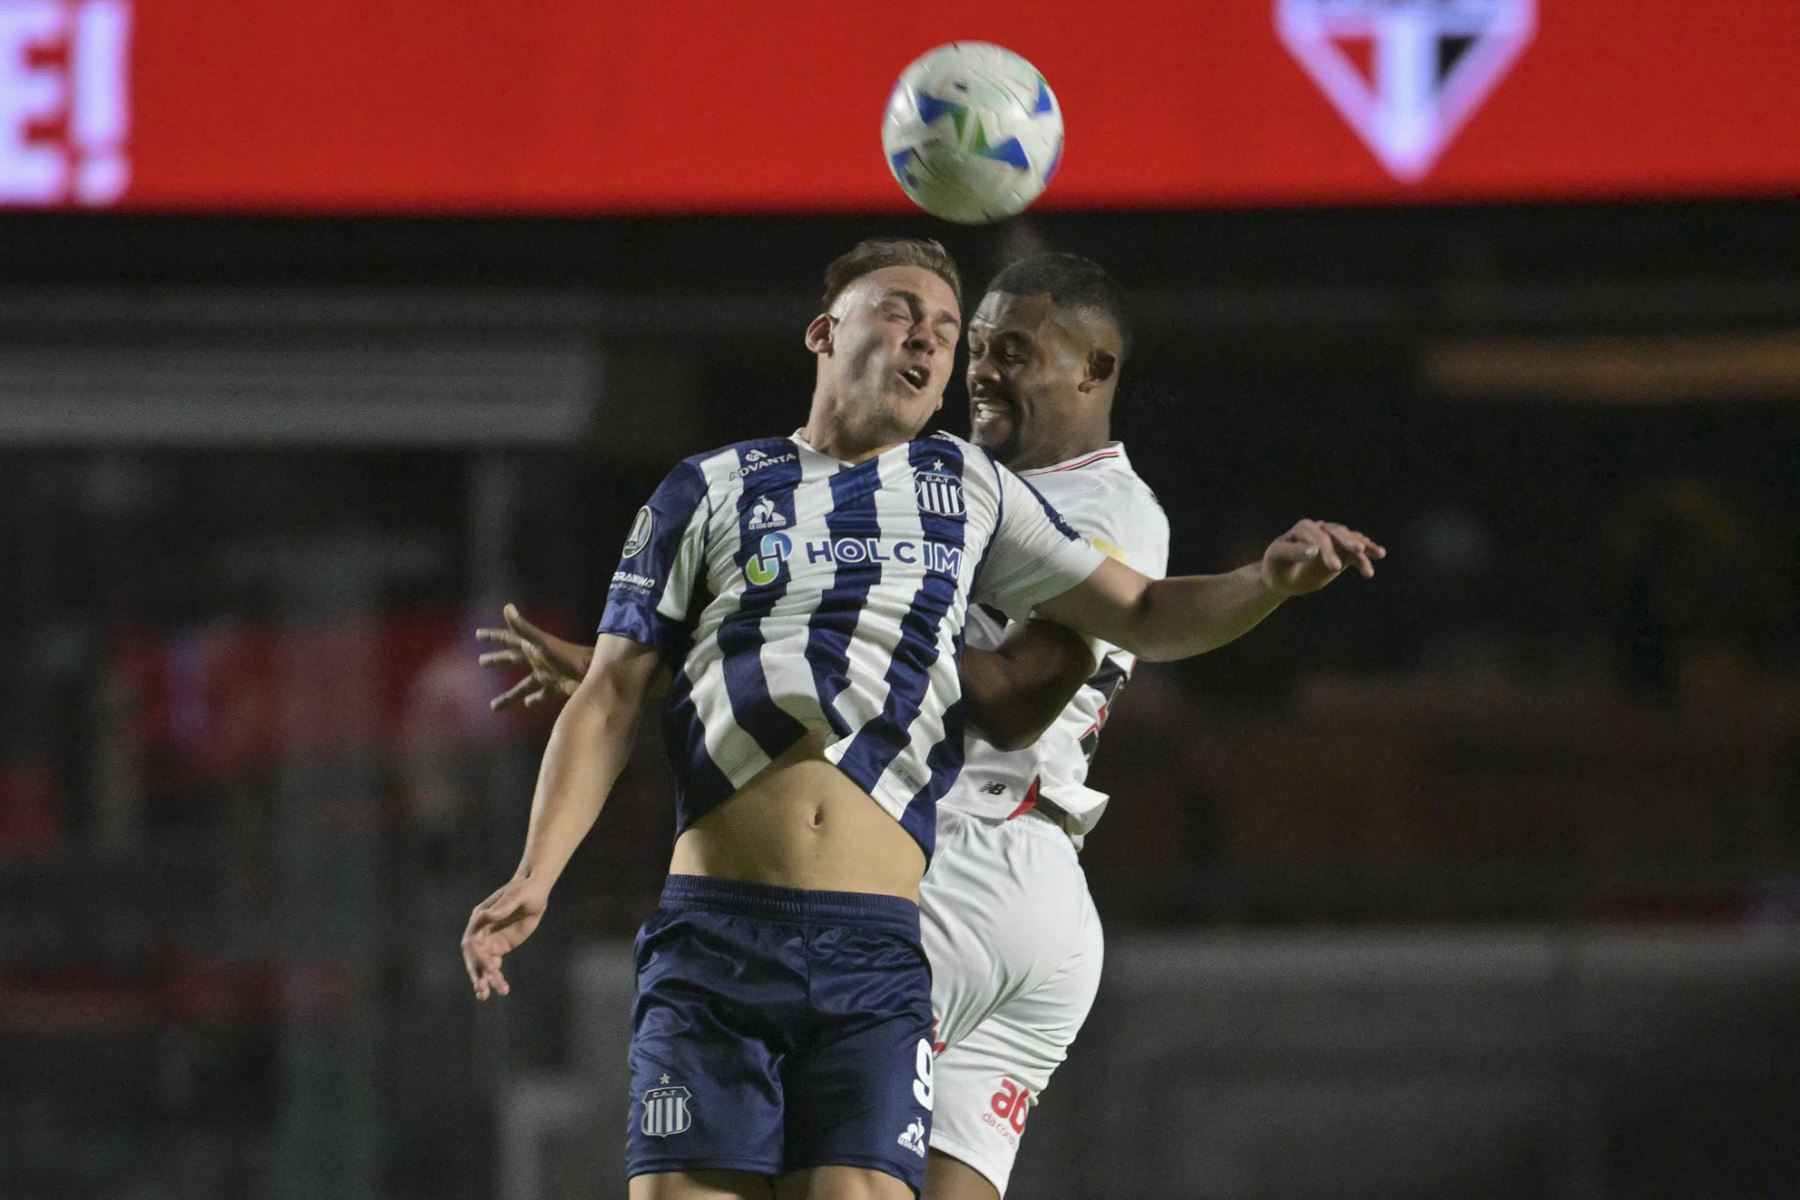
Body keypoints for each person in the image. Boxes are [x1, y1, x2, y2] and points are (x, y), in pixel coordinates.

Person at [461, 238, 1383, 1200]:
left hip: (899, 923)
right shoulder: (709, 488)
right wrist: (538, 871)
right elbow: (610, 692)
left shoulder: (971, 493)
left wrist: (1263, 584)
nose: (943, 346)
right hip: (724, 929)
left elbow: (1137, 615)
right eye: (908, 313)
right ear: (825, 332)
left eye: (954, 331)